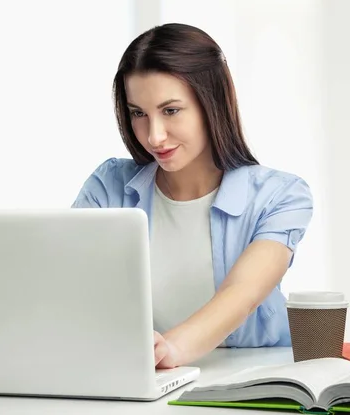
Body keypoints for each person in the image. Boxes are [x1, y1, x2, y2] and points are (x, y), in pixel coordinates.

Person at [72, 23, 313, 369]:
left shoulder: (281, 196)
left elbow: (241, 294)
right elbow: (70, 286)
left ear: (211, 104)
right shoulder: (109, 186)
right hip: (142, 379)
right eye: (138, 113)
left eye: (170, 111)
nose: (154, 136)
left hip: (253, 376)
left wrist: (169, 350)